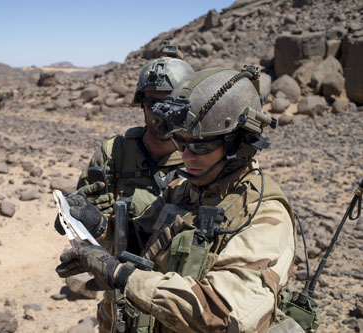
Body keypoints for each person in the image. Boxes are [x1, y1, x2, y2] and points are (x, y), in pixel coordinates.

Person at [57, 66, 301, 332]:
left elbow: (221, 313)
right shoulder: (184, 188)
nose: (186, 157)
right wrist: (99, 226)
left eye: (200, 146)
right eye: (181, 143)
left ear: (239, 144)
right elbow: (141, 242)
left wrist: (119, 275)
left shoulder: (264, 214)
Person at [57, 48, 194, 332]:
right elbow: (95, 235)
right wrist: (80, 220)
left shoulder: (204, 159)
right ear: (141, 104)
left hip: (180, 302)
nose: (162, 115)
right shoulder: (115, 153)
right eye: (154, 105)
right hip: (122, 297)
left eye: (172, 105)